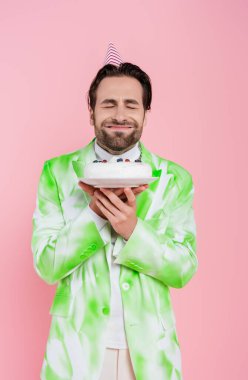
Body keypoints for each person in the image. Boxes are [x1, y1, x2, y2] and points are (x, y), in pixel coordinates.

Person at [31, 59, 198, 380]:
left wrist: (133, 231)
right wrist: (93, 215)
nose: (119, 115)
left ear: (145, 114)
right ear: (91, 110)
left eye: (131, 105)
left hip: (151, 352)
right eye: (108, 103)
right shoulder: (57, 172)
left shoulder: (175, 179)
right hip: (75, 349)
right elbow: (47, 265)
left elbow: (183, 269)